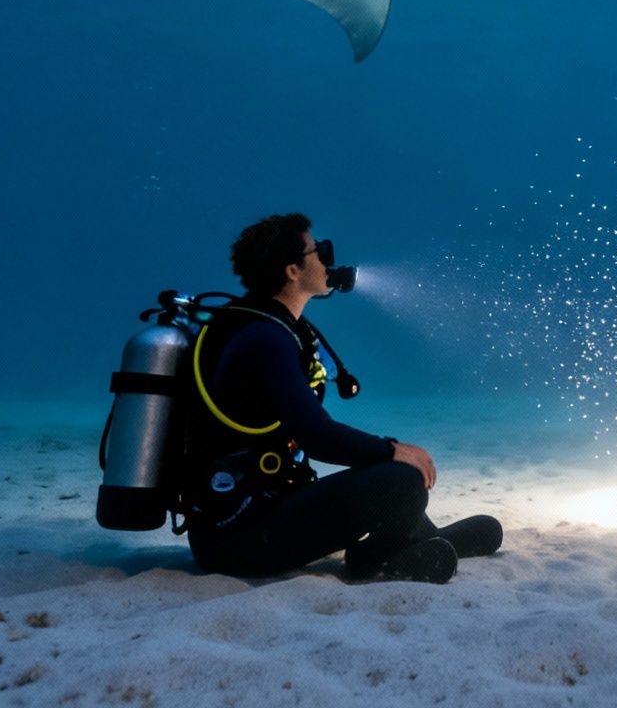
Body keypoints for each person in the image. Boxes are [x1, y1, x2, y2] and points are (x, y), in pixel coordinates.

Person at [183, 213, 501, 583]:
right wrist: (391, 449)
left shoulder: (273, 328)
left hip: (264, 511)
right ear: (292, 270)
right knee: (401, 479)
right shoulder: (266, 339)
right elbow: (315, 435)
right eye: (319, 251)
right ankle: (374, 559)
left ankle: (416, 537)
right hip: (238, 539)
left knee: (401, 479)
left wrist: (386, 455)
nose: (327, 259)